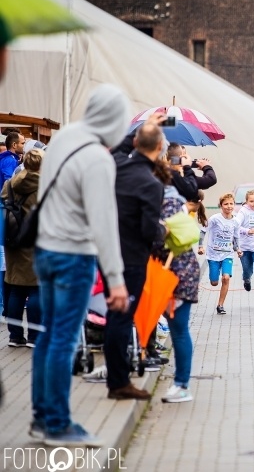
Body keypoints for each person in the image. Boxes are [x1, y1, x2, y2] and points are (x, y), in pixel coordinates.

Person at [33, 84, 130, 447]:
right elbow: (103, 223)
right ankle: (58, 424)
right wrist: (116, 281)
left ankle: (42, 417)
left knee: (48, 334)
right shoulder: (98, 159)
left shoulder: (64, 138)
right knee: (62, 338)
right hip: (74, 254)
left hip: (44, 249)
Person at [105, 118, 166, 401]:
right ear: (161, 147)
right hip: (132, 258)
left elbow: (119, 146)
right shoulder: (151, 184)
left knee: (113, 317)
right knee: (121, 318)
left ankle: (117, 377)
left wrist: (142, 129)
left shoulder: (117, 167)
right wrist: (163, 232)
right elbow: (148, 230)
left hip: (107, 252)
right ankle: (118, 383)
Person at [151, 162, 202, 404]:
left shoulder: (166, 204)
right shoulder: (169, 201)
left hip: (178, 274)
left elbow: (160, 239)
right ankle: (181, 383)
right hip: (176, 272)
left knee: (179, 329)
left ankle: (182, 384)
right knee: (176, 328)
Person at [1, 148, 44, 347]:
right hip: (35, 241)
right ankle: (35, 336)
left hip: (12, 241)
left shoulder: (10, 184)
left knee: (16, 287)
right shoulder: (44, 186)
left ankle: (15, 336)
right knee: (36, 288)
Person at [198, 193, 241, 315]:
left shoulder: (235, 221)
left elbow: (236, 238)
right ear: (221, 206)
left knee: (226, 278)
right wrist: (201, 246)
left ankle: (220, 305)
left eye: (231, 204)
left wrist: (238, 249)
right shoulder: (215, 219)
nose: (229, 206)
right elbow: (203, 231)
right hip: (213, 255)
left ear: (234, 205)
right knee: (214, 282)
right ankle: (214, 278)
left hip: (227, 254)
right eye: (226, 204)